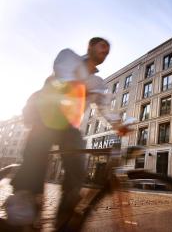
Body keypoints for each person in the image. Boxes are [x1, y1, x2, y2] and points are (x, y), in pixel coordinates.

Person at [5, 37, 128, 229]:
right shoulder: (69, 57)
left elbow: (104, 108)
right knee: (35, 159)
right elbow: (63, 79)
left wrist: (118, 124)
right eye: (102, 46)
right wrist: (84, 88)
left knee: (77, 169)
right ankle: (23, 205)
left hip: (67, 126)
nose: (105, 51)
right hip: (44, 115)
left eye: (108, 51)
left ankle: (64, 219)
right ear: (90, 46)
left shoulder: (97, 81)